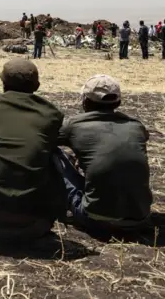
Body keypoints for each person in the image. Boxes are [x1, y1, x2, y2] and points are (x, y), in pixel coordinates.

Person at [0, 59, 65, 243]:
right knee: (55, 155)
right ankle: (43, 229)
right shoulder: (52, 113)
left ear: (3, 84)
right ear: (37, 85)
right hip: (36, 223)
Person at [57, 75, 151, 235]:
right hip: (141, 219)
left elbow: (44, 140)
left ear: (85, 101)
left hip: (96, 221)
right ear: (118, 102)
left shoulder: (74, 125)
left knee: (55, 155)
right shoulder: (136, 126)